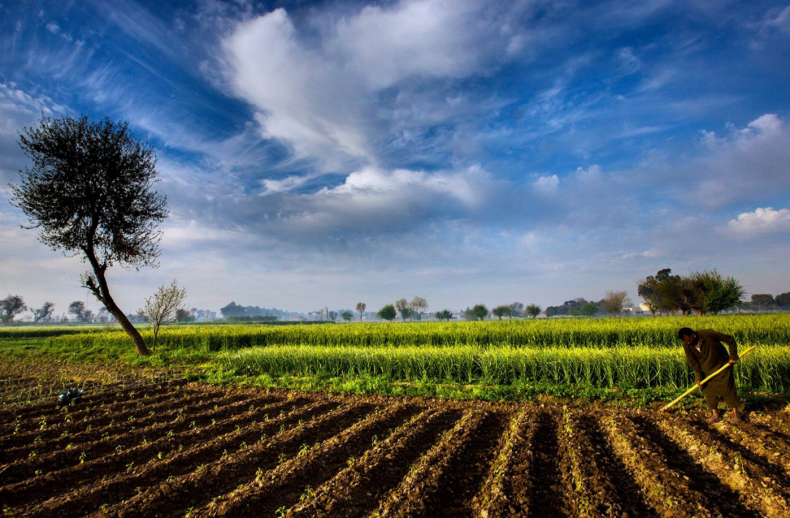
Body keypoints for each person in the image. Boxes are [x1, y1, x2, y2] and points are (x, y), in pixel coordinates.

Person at [678, 327, 741, 423]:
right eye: (686, 342)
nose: (688, 343)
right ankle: (715, 414)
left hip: (722, 365)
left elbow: (730, 339)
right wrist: (699, 377)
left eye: (689, 340)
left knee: (728, 389)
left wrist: (733, 356)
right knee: (708, 391)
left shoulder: (708, 334)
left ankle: (736, 413)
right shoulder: (687, 345)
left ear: (693, 335)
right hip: (706, 370)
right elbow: (694, 363)